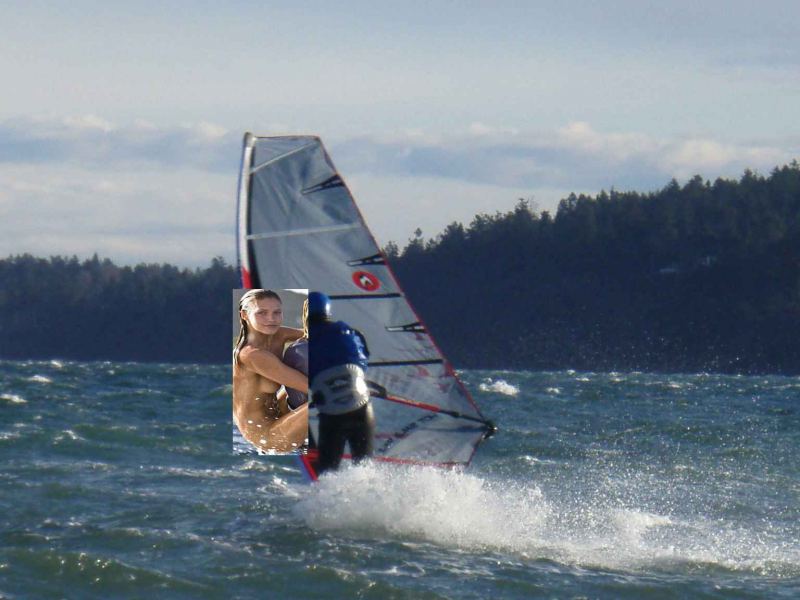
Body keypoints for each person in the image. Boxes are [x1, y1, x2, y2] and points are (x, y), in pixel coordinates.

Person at [233, 289, 308, 453]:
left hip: (281, 414)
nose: (271, 319)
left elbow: (312, 336)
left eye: (277, 312)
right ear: (244, 315)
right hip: (269, 436)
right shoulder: (252, 355)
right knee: (326, 397)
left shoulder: (278, 334)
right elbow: (309, 387)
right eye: (262, 313)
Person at [308, 291, 374, 473]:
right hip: (362, 410)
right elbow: (362, 363)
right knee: (364, 469)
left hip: (332, 417)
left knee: (327, 475)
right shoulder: (352, 333)